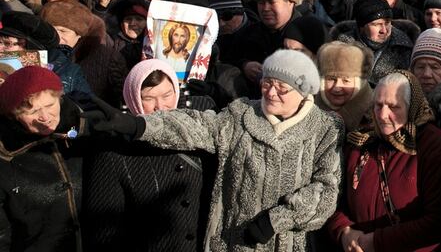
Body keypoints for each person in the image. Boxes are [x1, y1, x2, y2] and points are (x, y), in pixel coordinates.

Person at [88, 49, 344, 252]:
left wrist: (275, 220)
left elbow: (326, 189)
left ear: (303, 90)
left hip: (287, 243)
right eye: (267, 83)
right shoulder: (241, 114)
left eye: (282, 88)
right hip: (232, 241)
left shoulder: (326, 127)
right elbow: (194, 125)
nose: (271, 93)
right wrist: (138, 125)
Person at [82, 60, 215, 251]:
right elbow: (104, 230)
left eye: (167, 95)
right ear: (133, 98)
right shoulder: (114, 151)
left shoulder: (200, 135)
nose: (160, 106)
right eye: (148, 98)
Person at [326, 70, 441, 252]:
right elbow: (332, 199)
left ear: (411, 107)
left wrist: (375, 242)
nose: (382, 115)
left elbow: (439, 220)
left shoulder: (436, 148)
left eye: (394, 107)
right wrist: (344, 231)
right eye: (378, 105)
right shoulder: (361, 142)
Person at [0, 66, 86, 252]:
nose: (45, 117)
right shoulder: (6, 159)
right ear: (14, 115)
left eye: (49, 106)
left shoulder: (86, 133)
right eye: (32, 112)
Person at [315, 38, 374, 130]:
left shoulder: (374, 117)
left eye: (345, 81)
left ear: (359, 83)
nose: (337, 88)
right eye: (331, 79)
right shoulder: (307, 108)